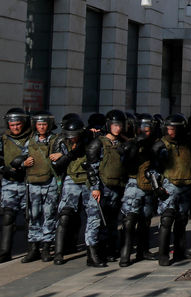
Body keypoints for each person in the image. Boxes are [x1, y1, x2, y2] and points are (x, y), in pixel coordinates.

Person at [52, 118, 105, 267]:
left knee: (93, 216)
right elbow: (56, 165)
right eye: (70, 135)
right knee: (64, 215)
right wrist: (63, 157)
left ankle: (92, 253)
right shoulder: (62, 141)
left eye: (75, 135)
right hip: (72, 178)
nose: (72, 138)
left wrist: (97, 134)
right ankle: (58, 252)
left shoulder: (91, 139)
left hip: (89, 179)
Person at [152, 113, 191, 266]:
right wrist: (157, 187)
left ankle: (180, 250)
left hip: (186, 185)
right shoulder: (160, 145)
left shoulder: (189, 143)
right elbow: (151, 169)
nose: (170, 132)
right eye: (168, 129)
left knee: (182, 219)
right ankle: (163, 253)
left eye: (173, 129)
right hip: (169, 185)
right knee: (166, 220)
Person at [86, 109, 129, 262]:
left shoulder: (122, 143)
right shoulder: (99, 142)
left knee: (111, 222)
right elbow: (91, 167)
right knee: (95, 221)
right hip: (101, 188)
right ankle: (92, 255)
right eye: (115, 125)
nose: (118, 128)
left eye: (120, 125)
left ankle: (108, 250)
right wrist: (95, 187)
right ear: (109, 125)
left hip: (116, 188)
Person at [118, 114, 159, 267]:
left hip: (149, 185)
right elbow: (125, 162)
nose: (144, 132)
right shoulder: (130, 143)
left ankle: (143, 250)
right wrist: (134, 145)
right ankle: (125, 253)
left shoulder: (155, 143)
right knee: (129, 220)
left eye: (147, 130)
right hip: (133, 184)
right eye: (142, 129)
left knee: (145, 220)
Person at [20, 111, 61, 263]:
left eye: (44, 124)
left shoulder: (56, 140)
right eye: (39, 124)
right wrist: (24, 163)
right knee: (33, 215)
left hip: (49, 182)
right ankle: (33, 248)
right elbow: (21, 158)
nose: (42, 127)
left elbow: (65, 155)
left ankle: (46, 247)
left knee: (49, 215)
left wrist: (60, 156)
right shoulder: (30, 141)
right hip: (33, 182)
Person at [0, 108, 32, 263]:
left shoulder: (32, 138)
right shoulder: (4, 139)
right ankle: (5, 251)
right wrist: (6, 170)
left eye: (18, 124)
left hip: (28, 182)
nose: (15, 128)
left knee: (30, 216)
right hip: (10, 182)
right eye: (12, 125)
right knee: (8, 216)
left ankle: (33, 249)